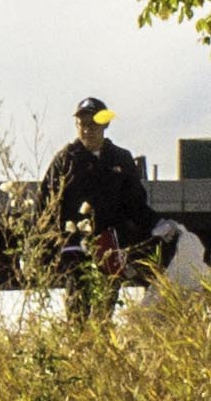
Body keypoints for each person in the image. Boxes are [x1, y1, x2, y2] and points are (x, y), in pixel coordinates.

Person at [30, 95, 161, 312]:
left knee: (105, 303)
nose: (87, 130)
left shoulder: (120, 158)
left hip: (110, 244)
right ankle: (79, 343)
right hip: (75, 243)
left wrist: (157, 224)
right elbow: (46, 205)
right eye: (82, 125)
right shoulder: (66, 159)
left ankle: (98, 343)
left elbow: (136, 204)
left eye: (93, 125)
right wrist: (41, 245)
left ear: (105, 124)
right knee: (78, 304)